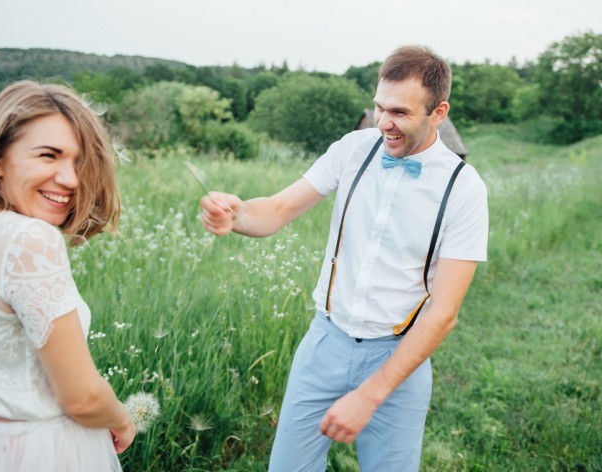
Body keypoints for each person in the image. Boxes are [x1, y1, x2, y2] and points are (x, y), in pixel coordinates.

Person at [200, 45, 488, 471]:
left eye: (400, 113)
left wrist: (371, 394)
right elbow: (276, 211)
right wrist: (236, 212)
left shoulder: (464, 189)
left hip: (399, 356)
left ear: (439, 111)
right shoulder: (354, 148)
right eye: (378, 108)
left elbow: (443, 313)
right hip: (324, 343)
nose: (383, 123)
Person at [0, 80, 136, 471]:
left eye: (79, 162)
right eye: (48, 155)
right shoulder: (30, 238)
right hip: (42, 451)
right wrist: (121, 418)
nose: (70, 179)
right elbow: (82, 398)